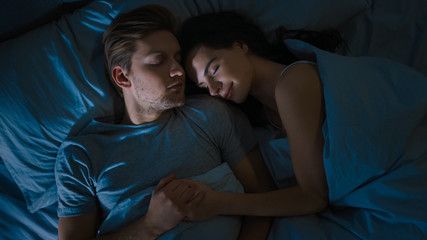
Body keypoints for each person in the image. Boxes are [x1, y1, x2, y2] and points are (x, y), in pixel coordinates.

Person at [179, 10, 427, 238]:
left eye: (214, 70)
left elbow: (313, 197)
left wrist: (218, 203)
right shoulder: (264, 118)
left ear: (240, 45)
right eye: (203, 86)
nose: (214, 89)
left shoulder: (293, 82)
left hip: (403, 180)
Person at [55, 5, 275, 240]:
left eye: (177, 59)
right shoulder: (82, 155)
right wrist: (151, 226)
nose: (178, 70)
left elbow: (264, 201)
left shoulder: (211, 115)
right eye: (158, 60)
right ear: (122, 76)